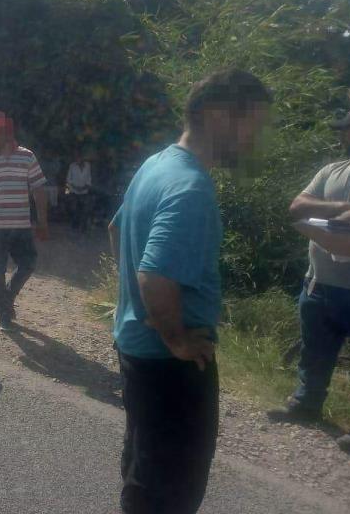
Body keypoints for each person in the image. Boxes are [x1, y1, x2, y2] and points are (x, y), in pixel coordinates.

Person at [108, 69, 271, 513]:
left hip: (137, 349)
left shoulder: (157, 163)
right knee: (170, 487)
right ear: (219, 117)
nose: (255, 140)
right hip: (169, 364)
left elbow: (116, 229)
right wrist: (176, 338)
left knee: (144, 466)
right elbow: (154, 276)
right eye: (252, 126)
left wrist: (130, 306)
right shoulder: (191, 187)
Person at [267, 108, 350, 454]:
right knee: (314, 351)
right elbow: (297, 207)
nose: (343, 135)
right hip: (319, 285)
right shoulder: (331, 171)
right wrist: (341, 209)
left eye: (347, 129)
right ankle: (306, 404)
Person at [0, 112, 50, 331]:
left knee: (28, 264)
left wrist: (42, 221)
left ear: (6, 134)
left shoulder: (27, 157)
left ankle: (5, 299)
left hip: (21, 226)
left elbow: (39, 190)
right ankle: (2, 314)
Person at [66, 152, 92, 232]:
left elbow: (89, 178)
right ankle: (75, 225)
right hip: (74, 191)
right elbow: (68, 180)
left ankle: (83, 227)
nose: (77, 159)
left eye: (79, 157)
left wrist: (85, 187)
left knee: (85, 210)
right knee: (74, 209)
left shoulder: (88, 165)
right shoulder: (72, 166)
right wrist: (75, 187)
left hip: (85, 191)